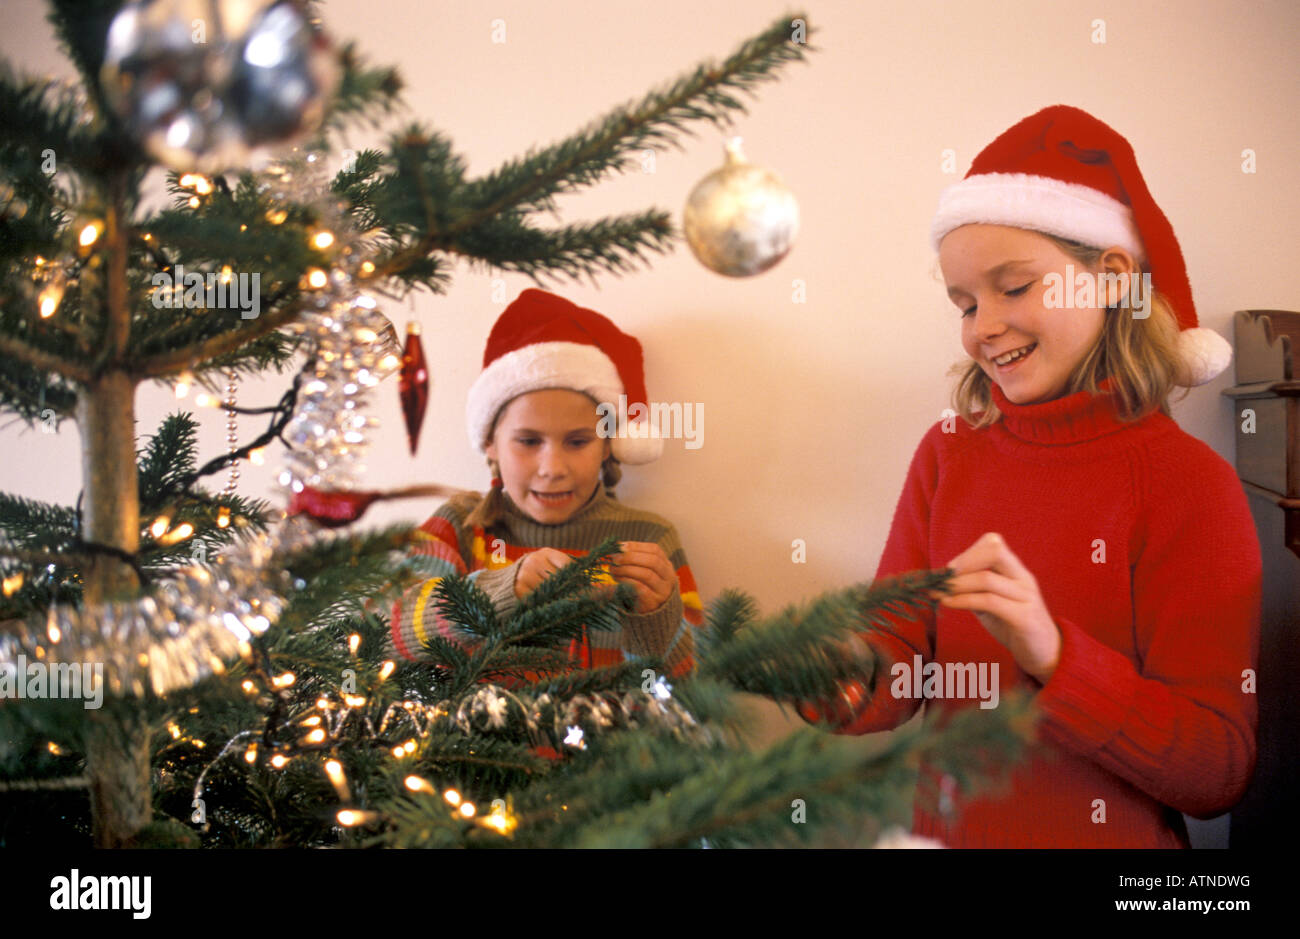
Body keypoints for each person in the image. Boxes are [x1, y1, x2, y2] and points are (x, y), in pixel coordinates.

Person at [801, 105, 1262, 847]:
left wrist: (1054, 655)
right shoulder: (948, 453)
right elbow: (894, 660)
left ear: (1110, 278)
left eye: (1013, 288)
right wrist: (828, 671)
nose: (983, 326)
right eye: (965, 302)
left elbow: (1215, 771)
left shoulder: (1190, 485)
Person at [387, 288, 702, 681]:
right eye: (529, 441)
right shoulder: (462, 528)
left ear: (608, 444)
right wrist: (499, 590)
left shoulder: (651, 539)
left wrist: (657, 620)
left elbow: (693, 690)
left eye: (577, 441)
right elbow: (385, 633)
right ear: (491, 443)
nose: (552, 468)